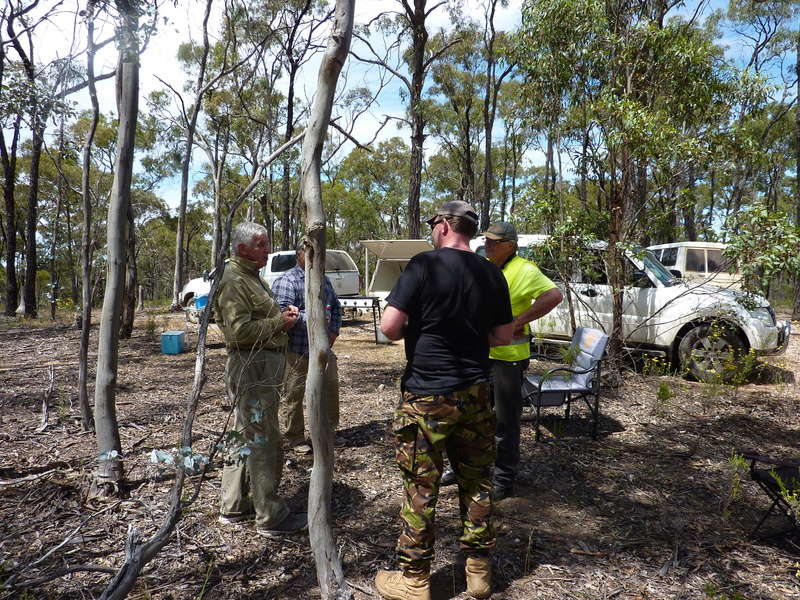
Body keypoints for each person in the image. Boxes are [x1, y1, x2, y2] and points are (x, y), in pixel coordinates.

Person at [375, 201, 513, 600]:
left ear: (445, 225)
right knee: (476, 481)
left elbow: (389, 328)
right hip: (475, 392)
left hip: (427, 394)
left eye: (433, 222)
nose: (432, 229)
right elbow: (502, 338)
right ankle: (478, 574)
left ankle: (415, 580)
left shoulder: (423, 265)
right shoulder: (492, 273)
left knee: (421, 486)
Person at [212, 222, 308, 536]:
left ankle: (234, 505)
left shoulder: (251, 277)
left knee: (244, 433)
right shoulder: (232, 280)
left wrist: (280, 320)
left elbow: (256, 319)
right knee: (264, 437)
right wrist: (278, 323)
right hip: (252, 368)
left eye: (267, 244)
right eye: (261, 245)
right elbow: (238, 332)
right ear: (242, 249)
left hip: (260, 366)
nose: (268, 250)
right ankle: (270, 515)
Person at [481, 222, 563, 500]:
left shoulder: (525, 270)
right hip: (482, 357)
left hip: (508, 360)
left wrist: (519, 321)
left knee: (505, 422)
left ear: (510, 246)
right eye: (487, 240)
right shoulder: (487, 267)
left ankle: (503, 480)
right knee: (477, 418)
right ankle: (471, 469)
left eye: (494, 242)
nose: (488, 245)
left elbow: (553, 295)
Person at [272, 242, 342, 454]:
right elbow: (284, 315)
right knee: (293, 395)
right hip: (296, 350)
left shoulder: (324, 279)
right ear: (299, 254)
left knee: (330, 389)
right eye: (310, 252)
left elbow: (336, 307)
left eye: (318, 253)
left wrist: (333, 331)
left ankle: (328, 432)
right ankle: (294, 438)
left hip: (323, 350)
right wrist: (317, 320)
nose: (315, 257)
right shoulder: (287, 280)